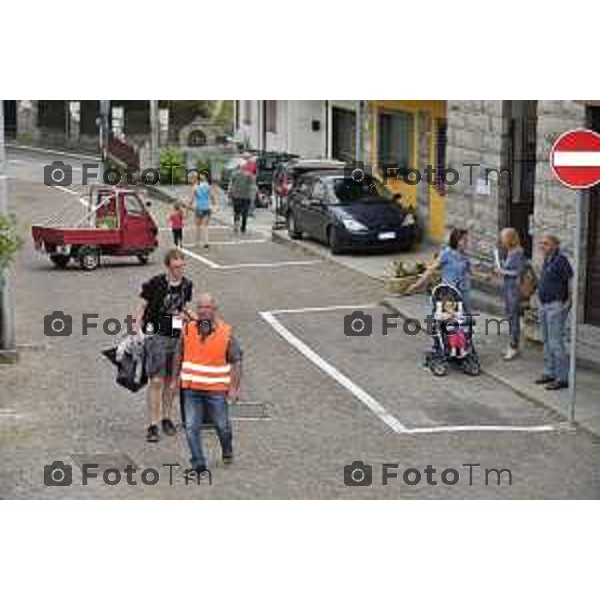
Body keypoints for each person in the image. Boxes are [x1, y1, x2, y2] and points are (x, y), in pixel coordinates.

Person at [171, 294, 242, 475]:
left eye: (207, 307)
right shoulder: (187, 329)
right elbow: (178, 354)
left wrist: (233, 387)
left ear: (214, 310)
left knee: (221, 425)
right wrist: (174, 379)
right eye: (200, 307)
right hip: (191, 388)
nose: (203, 311)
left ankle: (227, 449)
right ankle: (198, 462)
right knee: (191, 426)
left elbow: (236, 360)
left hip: (216, 390)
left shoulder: (226, 332)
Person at [131, 248, 194, 442]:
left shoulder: (187, 285)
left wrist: (193, 319)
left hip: (176, 336)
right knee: (156, 380)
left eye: (181, 266)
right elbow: (141, 305)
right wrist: (135, 329)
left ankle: (166, 417)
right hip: (156, 334)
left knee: (171, 381)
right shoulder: (156, 283)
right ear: (168, 267)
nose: (179, 270)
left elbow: (184, 307)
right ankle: (152, 423)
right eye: (175, 267)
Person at [534, 234, 573, 391]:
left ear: (555, 245)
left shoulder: (561, 260)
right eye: (541, 243)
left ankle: (562, 378)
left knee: (556, 342)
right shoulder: (547, 259)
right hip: (544, 305)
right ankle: (550, 372)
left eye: (546, 243)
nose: (542, 246)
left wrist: (569, 302)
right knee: (546, 340)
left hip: (555, 306)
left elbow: (570, 281)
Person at [408, 228, 473, 313]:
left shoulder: (465, 255)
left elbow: (471, 271)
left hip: (464, 291)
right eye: (465, 240)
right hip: (450, 293)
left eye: (467, 240)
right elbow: (431, 270)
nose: (468, 242)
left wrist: (486, 276)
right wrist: (417, 284)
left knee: (467, 317)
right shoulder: (446, 254)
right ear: (457, 241)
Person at [496, 228, 525, 360]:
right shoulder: (511, 251)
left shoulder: (517, 252)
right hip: (508, 288)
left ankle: (514, 347)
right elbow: (510, 268)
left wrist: (502, 271)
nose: (501, 240)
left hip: (514, 289)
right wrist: (502, 265)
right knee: (510, 317)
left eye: (503, 237)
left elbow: (518, 272)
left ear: (510, 238)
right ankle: (513, 345)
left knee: (513, 318)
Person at [188, 172, 215, 248]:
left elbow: (191, 199)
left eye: (191, 179)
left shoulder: (195, 187)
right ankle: (206, 241)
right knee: (205, 226)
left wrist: (188, 207)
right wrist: (214, 205)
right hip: (207, 207)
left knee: (198, 226)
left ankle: (197, 242)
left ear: (194, 178)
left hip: (199, 208)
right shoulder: (207, 185)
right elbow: (212, 196)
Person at [229, 161, 257, 234]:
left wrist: (230, 194)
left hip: (236, 196)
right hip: (246, 196)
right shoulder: (249, 175)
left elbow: (231, 185)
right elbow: (252, 186)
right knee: (245, 213)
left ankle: (236, 223)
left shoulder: (234, 174)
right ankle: (243, 228)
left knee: (236, 211)